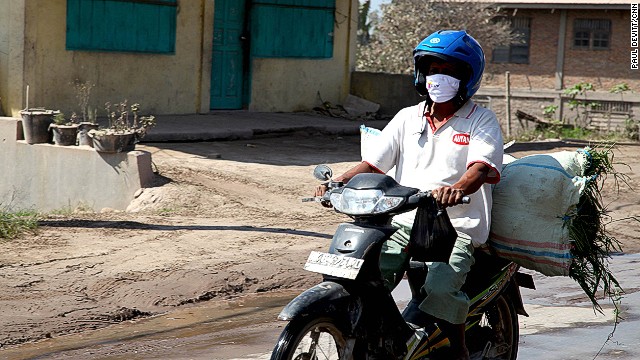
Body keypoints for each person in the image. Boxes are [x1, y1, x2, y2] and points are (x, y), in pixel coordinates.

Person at [314, 30, 503, 360]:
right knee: (362, 273)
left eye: (448, 70)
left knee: (442, 288)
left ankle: (458, 351)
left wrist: (455, 189)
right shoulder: (407, 117)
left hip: (454, 226)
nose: (437, 78)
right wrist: (338, 182)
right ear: (421, 74)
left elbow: (480, 170)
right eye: (432, 70)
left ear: (467, 77)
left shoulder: (481, 119)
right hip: (401, 219)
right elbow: (373, 164)